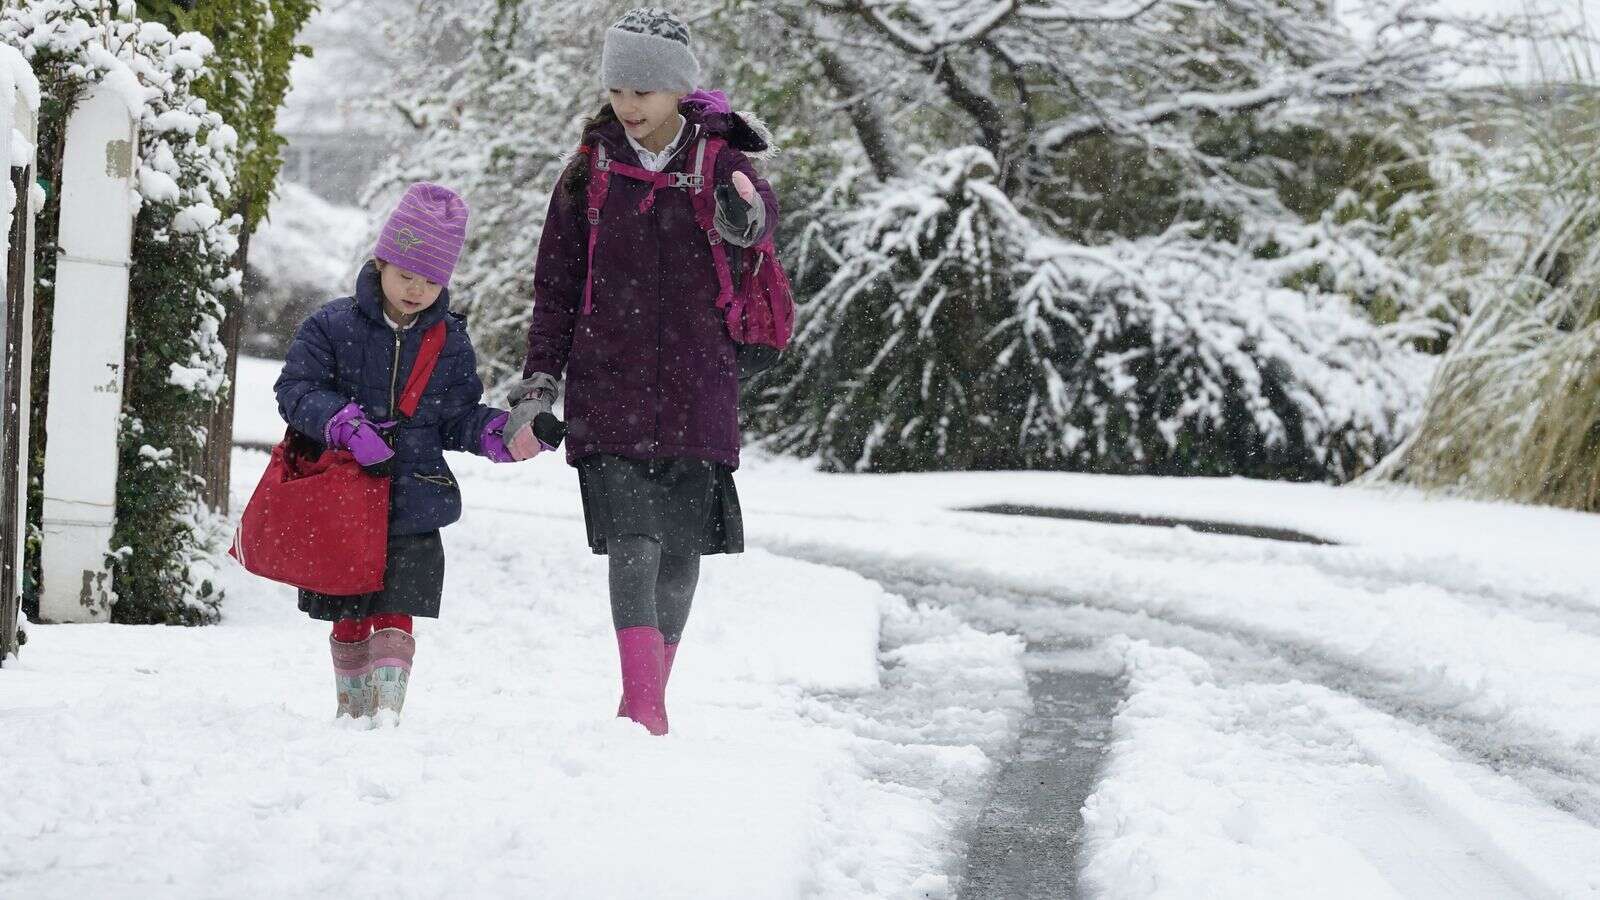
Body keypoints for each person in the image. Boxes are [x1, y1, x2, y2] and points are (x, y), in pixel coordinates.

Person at [504, 6, 780, 735]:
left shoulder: (720, 162)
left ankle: (644, 697)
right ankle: (647, 711)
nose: (628, 106)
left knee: (682, 549)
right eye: (618, 90)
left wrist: (743, 215)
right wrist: (538, 386)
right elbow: (555, 287)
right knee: (633, 542)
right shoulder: (587, 170)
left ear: (679, 91)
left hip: (698, 384)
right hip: (610, 382)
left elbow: (759, 224)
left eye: (644, 93)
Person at [276, 182, 528, 724]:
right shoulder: (332, 325)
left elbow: (458, 414)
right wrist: (345, 425)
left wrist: (500, 436)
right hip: (345, 494)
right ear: (382, 261)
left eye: (432, 280)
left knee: (398, 605)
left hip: (414, 495)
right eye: (406, 274)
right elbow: (295, 390)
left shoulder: (450, 341)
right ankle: (353, 708)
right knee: (349, 608)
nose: (417, 289)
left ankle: (388, 713)